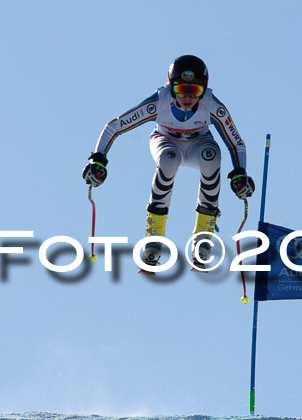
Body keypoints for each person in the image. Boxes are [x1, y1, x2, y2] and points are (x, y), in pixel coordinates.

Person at [82, 55, 254, 270]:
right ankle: (154, 235)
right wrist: (98, 159)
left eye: (195, 91)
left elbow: (236, 142)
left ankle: (203, 236)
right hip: (165, 140)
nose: (188, 98)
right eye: (182, 90)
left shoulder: (212, 106)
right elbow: (114, 127)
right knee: (168, 159)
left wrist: (240, 172)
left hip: (198, 143)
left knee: (212, 157)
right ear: (171, 87)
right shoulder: (159, 101)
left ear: (204, 89)